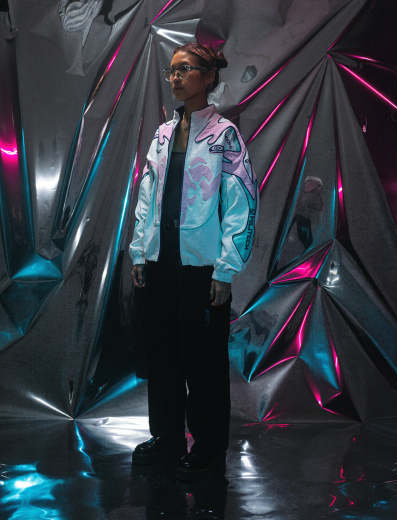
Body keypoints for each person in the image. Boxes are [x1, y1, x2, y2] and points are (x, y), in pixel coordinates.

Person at [128, 42, 258, 479]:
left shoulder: (224, 136)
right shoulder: (163, 135)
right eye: (171, 71)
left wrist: (226, 268)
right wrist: (139, 251)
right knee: (162, 357)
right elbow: (146, 196)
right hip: (160, 263)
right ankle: (166, 438)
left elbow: (241, 202)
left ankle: (207, 445)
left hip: (202, 268)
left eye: (185, 70)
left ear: (208, 77)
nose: (175, 78)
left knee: (204, 362)